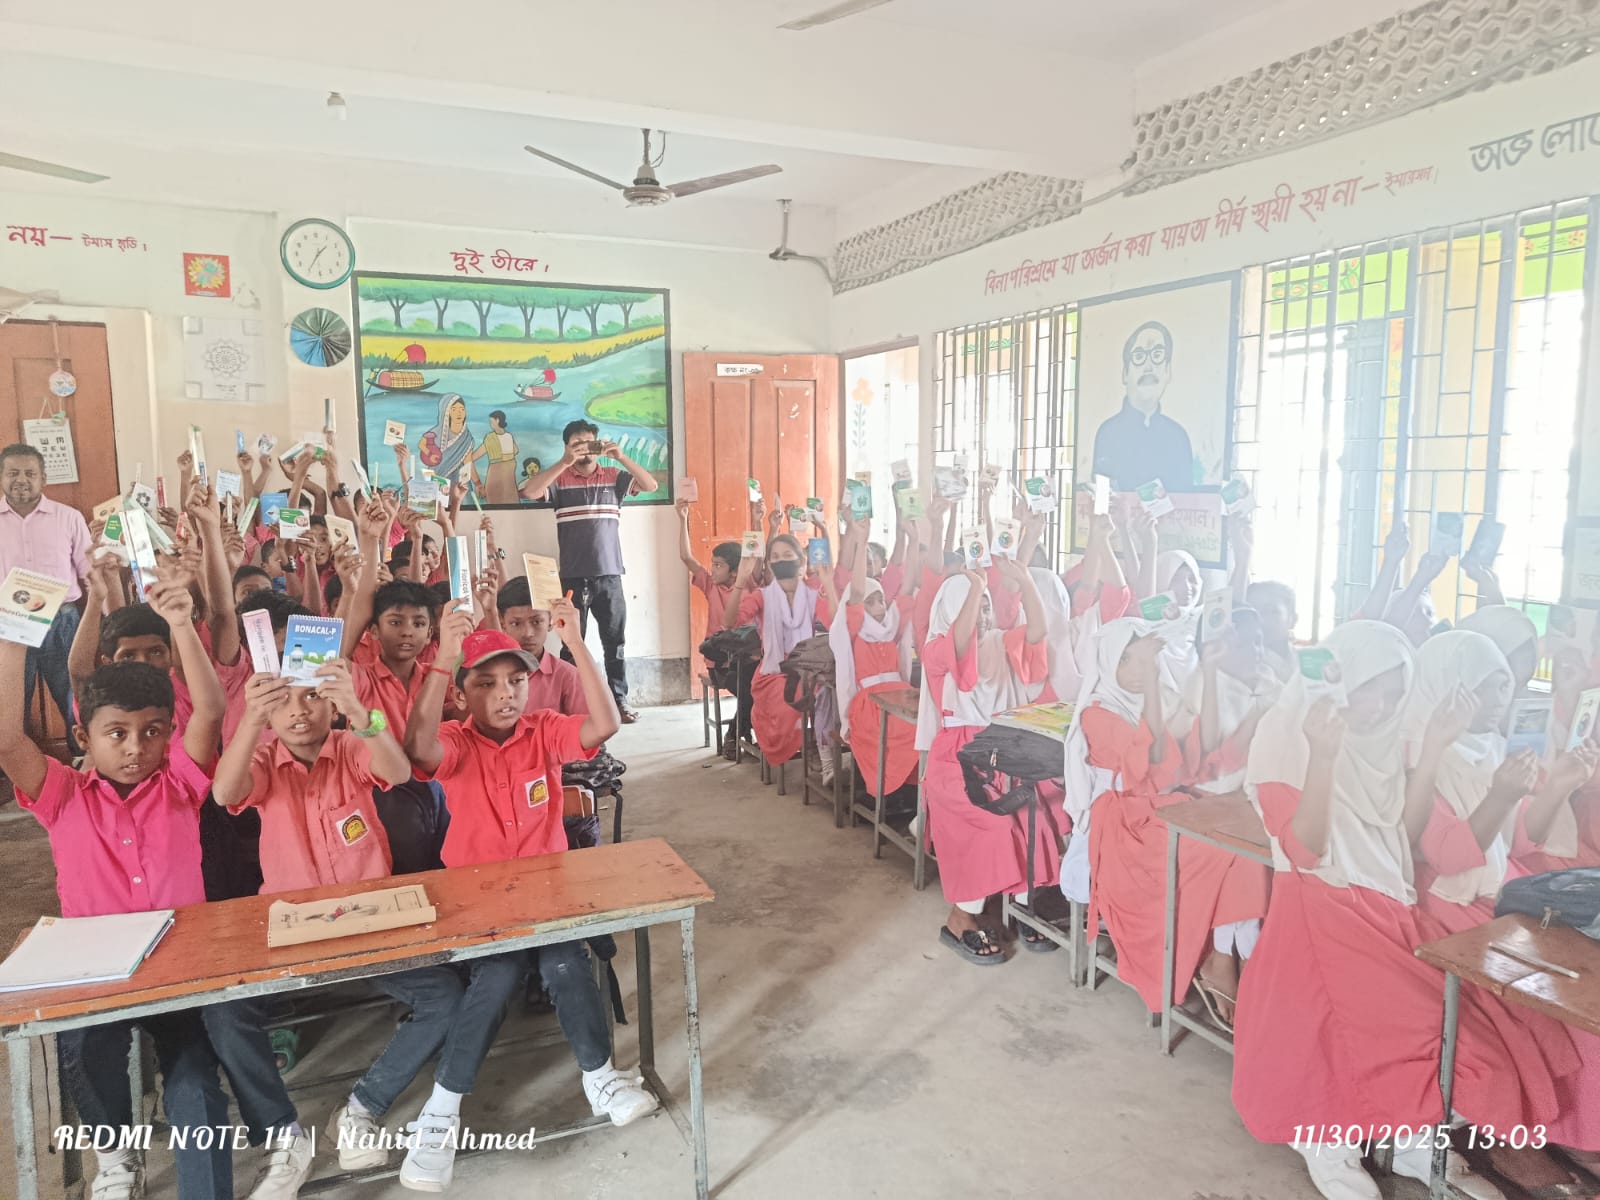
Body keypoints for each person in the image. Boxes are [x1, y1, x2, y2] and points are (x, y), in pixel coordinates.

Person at [0, 576, 314, 1200]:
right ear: (84, 738)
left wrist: (179, 625)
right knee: (81, 1045)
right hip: (98, 973)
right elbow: (8, 740)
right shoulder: (63, 795)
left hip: (182, 969)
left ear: (169, 734)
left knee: (194, 1087)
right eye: (116, 733)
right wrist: (14, 633)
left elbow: (212, 711)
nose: (135, 748)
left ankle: (232, 1171)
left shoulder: (180, 786)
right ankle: (116, 1155)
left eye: (151, 732)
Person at [1234, 620, 1566, 1200]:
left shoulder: (1383, 745)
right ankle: (1328, 1144)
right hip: (1320, 910)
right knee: (1355, 1038)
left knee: (1452, 1042)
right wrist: (1322, 758)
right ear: (1341, 681)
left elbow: (1404, 833)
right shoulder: (1284, 739)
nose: (1381, 707)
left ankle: (1410, 1136)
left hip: (1388, 904)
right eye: (1371, 690)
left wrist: (1432, 747)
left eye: (1395, 694)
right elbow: (1305, 850)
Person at [401, 604, 656, 1190]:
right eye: (486, 684)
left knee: (566, 960)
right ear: (461, 695)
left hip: (546, 892)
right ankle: (441, 1114)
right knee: (496, 977)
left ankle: (600, 1077)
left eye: (516, 681)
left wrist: (576, 643)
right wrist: (443, 658)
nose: (506, 694)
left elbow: (604, 725)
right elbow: (417, 749)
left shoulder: (543, 730)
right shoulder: (454, 741)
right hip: (480, 899)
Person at [1068, 619, 1269, 1016]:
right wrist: (1154, 689)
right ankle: (1223, 961)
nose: (1139, 671)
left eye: (1146, 661)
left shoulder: (1157, 697)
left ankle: (1232, 956)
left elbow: (1203, 745)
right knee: (1222, 853)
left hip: (1165, 809)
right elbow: (1149, 760)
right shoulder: (1097, 713)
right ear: (1108, 662)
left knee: (1244, 853)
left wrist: (1204, 671)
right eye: (1129, 661)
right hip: (1125, 825)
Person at [915, 565, 1055, 964]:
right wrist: (976, 583)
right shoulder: (937, 648)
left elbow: (1037, 633)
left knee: (1036, 817)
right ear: (951, 612)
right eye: (972, 607)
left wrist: (1025, 582)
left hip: (1002, 750)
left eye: (986, 606)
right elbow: (961, 644)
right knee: (992, 826)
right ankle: (961, 917)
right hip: (957, 761)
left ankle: (1023, 906)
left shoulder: (999, 641)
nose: (981, 615)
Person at [522, 420, 659, 722]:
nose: (584, 449)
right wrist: (564, 461)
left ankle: (619, 701)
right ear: (567, 447)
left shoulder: (614, 476)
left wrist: (621, 457)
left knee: (615, 644)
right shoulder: (559, 479)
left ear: (599, 445)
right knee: (571, 644)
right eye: (577, 444)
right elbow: (530, 492)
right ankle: (574, 704)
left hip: (610, 575)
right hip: (571, 577)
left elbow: (651, 486)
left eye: (589, 442)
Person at [0, 442, 90, 753]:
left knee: (74, 699)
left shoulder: (69, 518)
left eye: (30, 473)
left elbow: (90, 572)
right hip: (9, 625)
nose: (21, 479)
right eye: (13, 473)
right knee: (10, 705)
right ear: (1, 477)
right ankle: (14, 772)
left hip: (62, 621)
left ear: (43, 479)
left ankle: (82, 764)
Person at [724, 532, 836, 772]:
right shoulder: (762, 596)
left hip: (807, 665)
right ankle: (805, 743)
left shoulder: (812, 595)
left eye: (787, 555)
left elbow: (835, 624)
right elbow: (730, 622)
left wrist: (828, 584)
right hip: (773, 671)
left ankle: (819, 747)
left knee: (826, 692)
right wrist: (741, 580)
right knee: (790, 699)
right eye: (775, 557)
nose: (781, 560)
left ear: (801, 560)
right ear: (769, 564)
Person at [829, 520, 918, 800]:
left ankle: (911, 789)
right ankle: (891, 789)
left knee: (926, 724)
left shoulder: (892, 628)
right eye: (872, 601)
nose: (879, 606)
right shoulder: (854, 630)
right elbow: (856, 593)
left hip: (900, 696)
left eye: (881, 600)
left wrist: (914, 541)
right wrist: (861, 543)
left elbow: (906, 590)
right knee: (906, 729)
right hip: (869, 704)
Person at [1089, 321, 1196, 492]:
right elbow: (1102, 496)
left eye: (1157, 355)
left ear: (1167, 371)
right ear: (1125, 373)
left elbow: (1187, 497)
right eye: (1139, 357)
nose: (1148, 367)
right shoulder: (1108, 433)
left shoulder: (1178, 437)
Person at [419, 393, 476, 483]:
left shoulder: (467, 438)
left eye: (462, 409)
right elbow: (421, 444)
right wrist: (430, 455)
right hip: (437, 476)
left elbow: (468, 463)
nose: (459, 413)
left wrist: (478, 483)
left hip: (458, 479)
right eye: (454, 409)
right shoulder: (437, 431)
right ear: (446, 412)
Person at [468, 409, 519, 504]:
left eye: (491, 421)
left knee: (496, 500)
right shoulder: (509, 436)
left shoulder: (490, 438)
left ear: (497, 420)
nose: (491, 424)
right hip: (507, 475)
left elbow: (472, 457)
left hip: (497, 474)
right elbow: (515, 451)